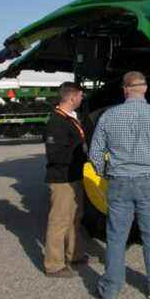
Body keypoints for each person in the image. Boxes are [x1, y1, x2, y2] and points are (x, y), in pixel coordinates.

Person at [89, 72, 150, 299]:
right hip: (149, 183)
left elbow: (95, 153)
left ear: (125, 89)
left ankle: (110, 290)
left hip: (119, 182)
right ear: (145, 88)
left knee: (116, 237)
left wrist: (105, 172)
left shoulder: (109, 117)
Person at [43, 82, 89, 278]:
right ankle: (53, 264)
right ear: (72, 97)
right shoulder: (56, 121)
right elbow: (55, 155)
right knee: (59, 221)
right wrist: (80, 154)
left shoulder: (70, 118)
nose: (81, 99)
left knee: (74, 218)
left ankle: (74, 254)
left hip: (74, 176)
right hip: (62, 179)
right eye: (80, 96)